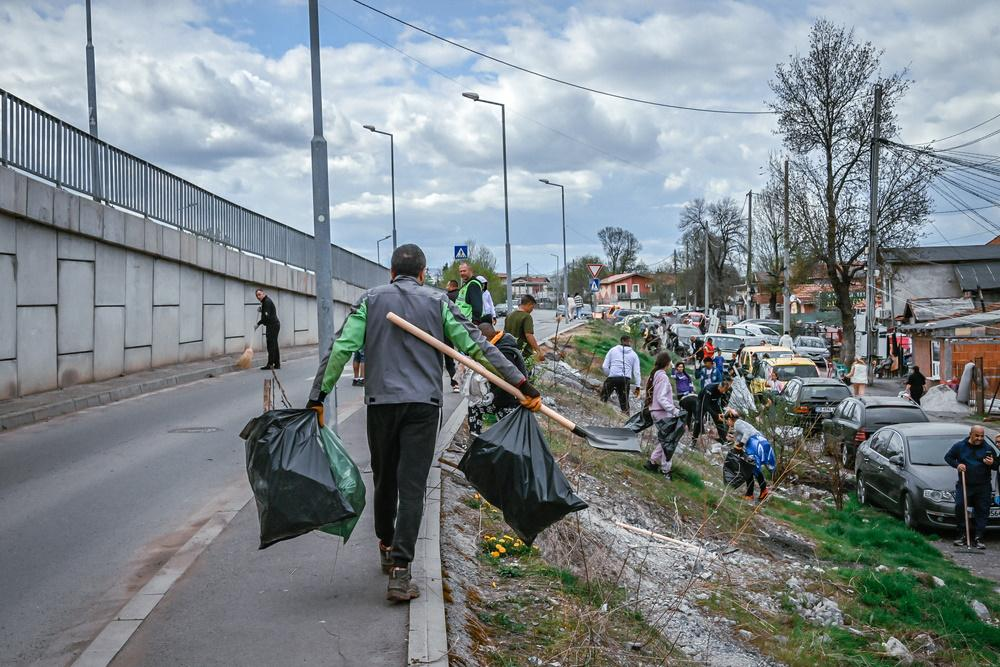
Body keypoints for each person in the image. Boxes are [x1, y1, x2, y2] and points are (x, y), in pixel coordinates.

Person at [306, 244, 541, 601]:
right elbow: (478, 346)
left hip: (381, 404)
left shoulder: (371, 300)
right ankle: (401, 572)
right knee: (412, 485)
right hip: (423, 407)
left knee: (385, 480)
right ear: (422, 273)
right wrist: (520, 382)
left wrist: (317, 397)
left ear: (391, 272)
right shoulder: (438, 303)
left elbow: (340, 350)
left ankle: (386, 544)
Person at [467, 322, 527, 435]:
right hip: (504, 398)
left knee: (476, 408)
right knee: (474, 406)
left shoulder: (504, 352)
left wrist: (493, 394)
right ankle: (476, 438)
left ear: (483, 338)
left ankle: (477, 438)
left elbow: (509, 379)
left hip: (511, 401)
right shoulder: (501, 345)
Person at [944, 425, 998, 550]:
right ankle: (962, 534)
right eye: (977, 436)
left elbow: (996, 464)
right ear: (970, 434)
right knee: (960, 506)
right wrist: (957, 465)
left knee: (982, 510)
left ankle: (979, 537)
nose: (980, 438)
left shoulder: (988, 448)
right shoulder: (960, 446)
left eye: (982, 436)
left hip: (983, 485)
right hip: (965, 484)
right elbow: (948, 457)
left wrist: (991, 464)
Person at [642, 352, 686, 479]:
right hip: (661, 412)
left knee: (665, 440)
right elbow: (661, 398)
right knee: (669, 441)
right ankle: (665, 470)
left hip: (655, 410)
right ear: (667, 363)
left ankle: (653, 462)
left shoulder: (655, 375)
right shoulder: (663, 377)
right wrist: (674, 410)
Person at [724, 408, 775, 501]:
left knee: (750, 468)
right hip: (757, 443)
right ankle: (753, 493)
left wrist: (741, 444)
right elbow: (740, 437)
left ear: (729, 419)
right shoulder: (739, 425)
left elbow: (746, 433)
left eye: (726, 421)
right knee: (750, 468)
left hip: (755, 443)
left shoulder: (737, 423)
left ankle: (757, 492)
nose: (727, 424)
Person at [601, 335, 642, 413]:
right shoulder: (634, 355)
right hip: (625, 380)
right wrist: (638, 387)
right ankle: (625, 420)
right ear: (629, 342)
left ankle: (601, 413)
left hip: (612, 378)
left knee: (603, 399)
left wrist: (610, 375)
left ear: (621, 341)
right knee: (625, 405)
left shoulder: (612, 350)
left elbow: (604, 366)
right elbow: (636, 372)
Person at [505, 294, 546, 361]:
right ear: (529, 304)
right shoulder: (526, 316)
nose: (532, 310)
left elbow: (505, 333)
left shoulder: (509, 315)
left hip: (510, 352)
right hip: (523, 353)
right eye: (532, 307)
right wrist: (538, 350)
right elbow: (529, 335)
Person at [692, 377, 732, 445]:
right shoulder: (709, 389)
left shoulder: (723, 389)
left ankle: (723, 439)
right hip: (703, 402)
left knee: (720, 419)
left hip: (713, 401)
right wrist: (716, 415)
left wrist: (720, 413)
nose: (724, 392)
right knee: (699, 420)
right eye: (723, 390)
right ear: (720, 387)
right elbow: (706, 405)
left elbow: (720, 401)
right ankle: (694, 440)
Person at [254, 288, 280, 370]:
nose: (258, 297)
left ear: (263, 294)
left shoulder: (267, 302)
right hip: (274, 325)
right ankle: (277, 364)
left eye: (259, 294)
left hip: (272, 326)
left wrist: (258, 324)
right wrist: (261, 310)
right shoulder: (265, 302)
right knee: (274, 345)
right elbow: (267, 312)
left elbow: (266, 317)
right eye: (257, 295)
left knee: (271, 345)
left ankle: (270, 364)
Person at [443, 280, 461, 392]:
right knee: (464, 357)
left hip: (447, 329)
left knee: (449, 356)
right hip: (461, 328)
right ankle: (465, 380)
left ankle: (455, 383)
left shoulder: (446, 297)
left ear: (451, 286)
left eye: (447, 285)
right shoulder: (462, 296)